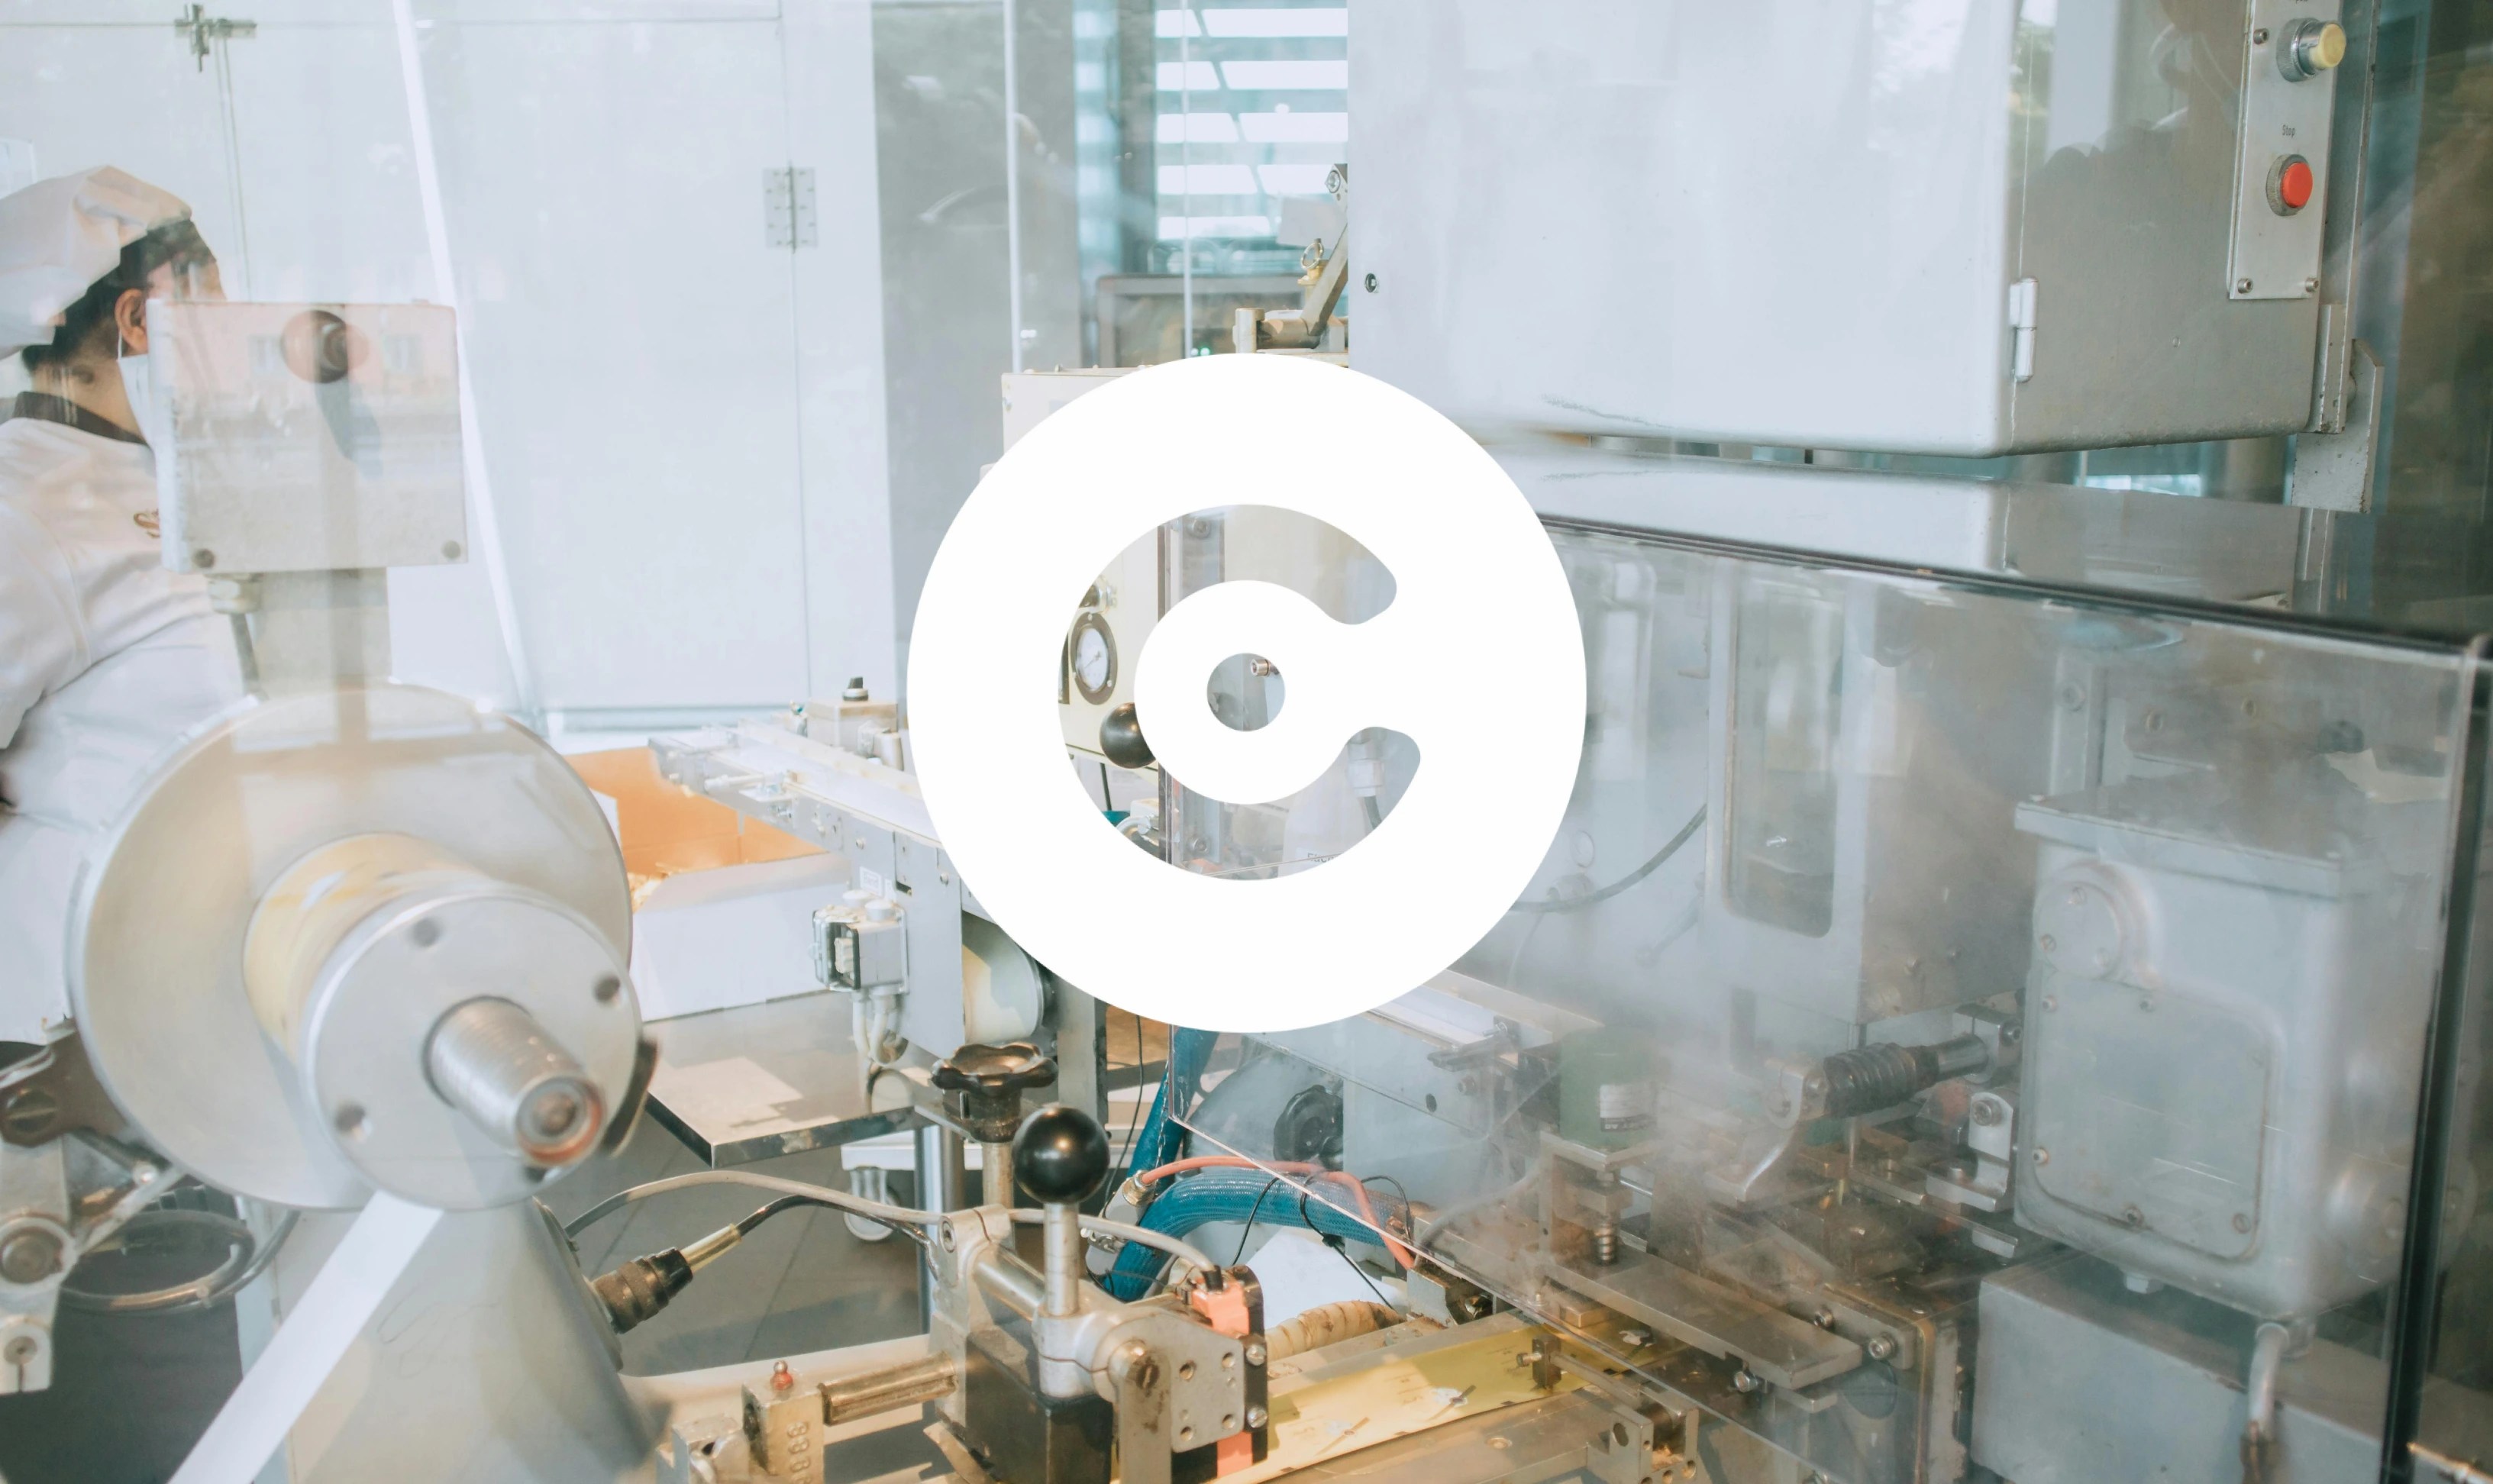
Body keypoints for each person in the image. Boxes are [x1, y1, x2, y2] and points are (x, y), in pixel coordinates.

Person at [0, 167, 241, 1050]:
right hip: (76, 1010)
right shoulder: (25, 502)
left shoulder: (164, 472)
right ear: (141, 322)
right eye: (216, 314)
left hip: (204, 975)